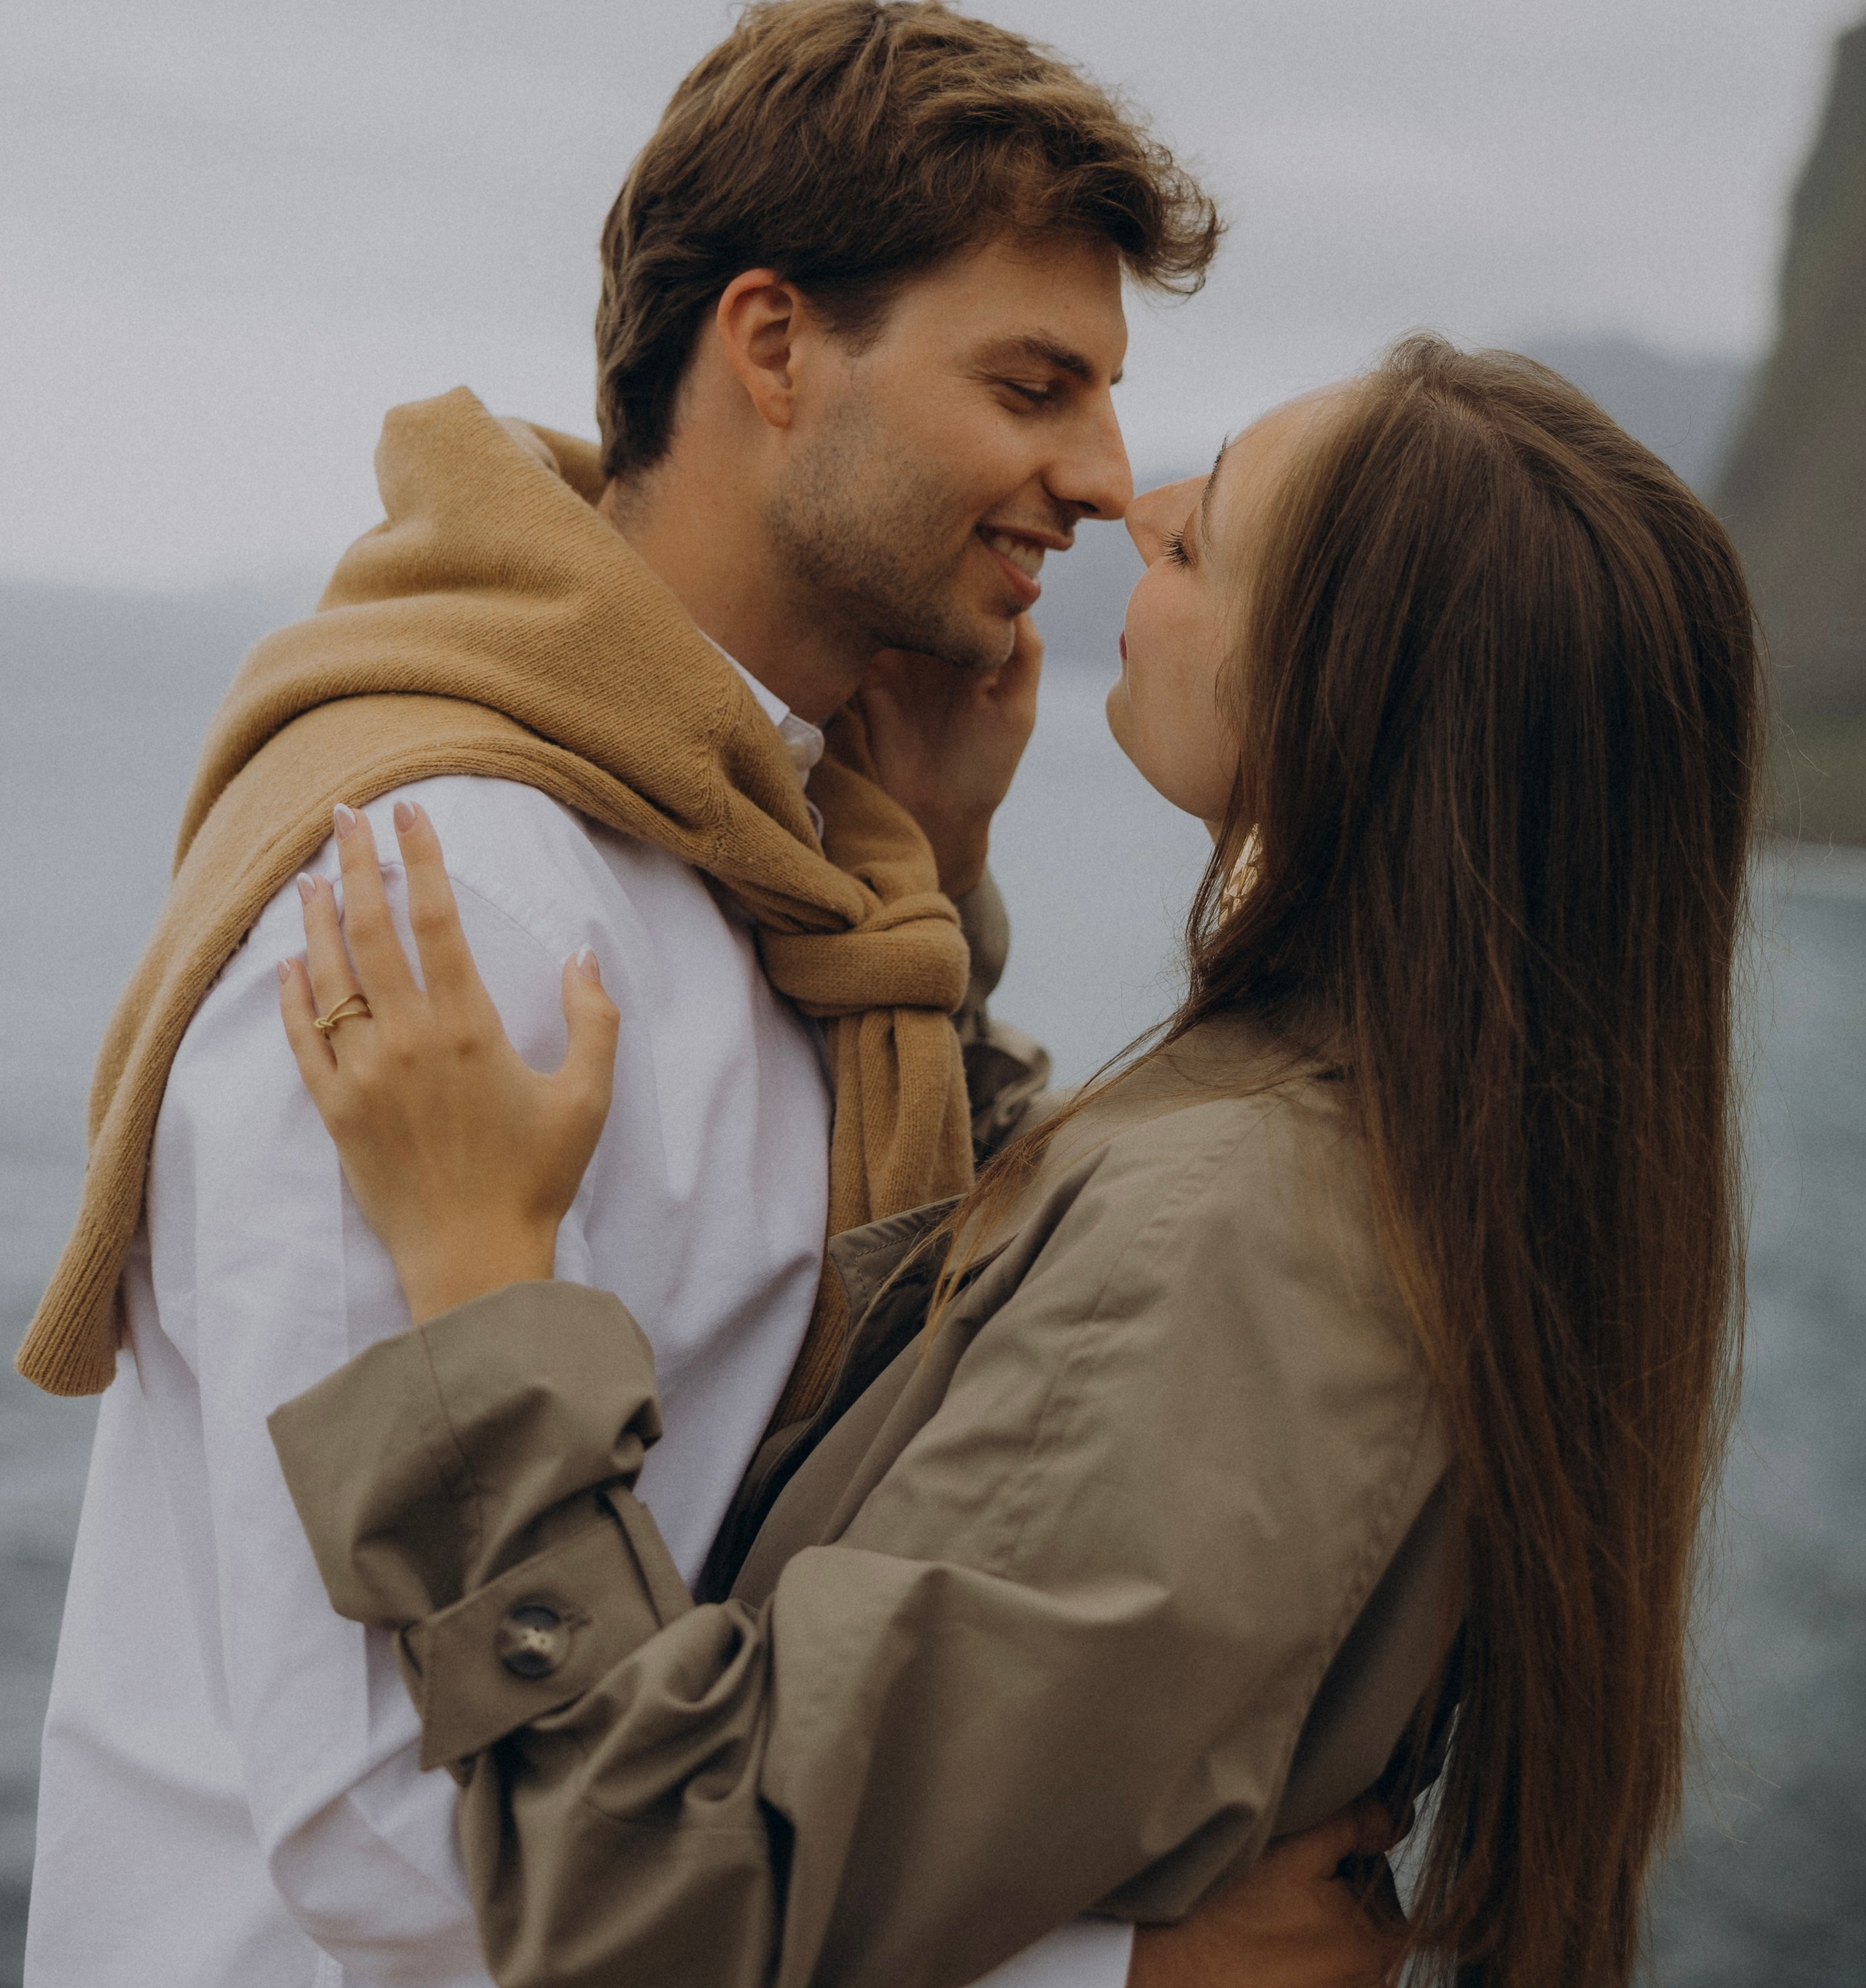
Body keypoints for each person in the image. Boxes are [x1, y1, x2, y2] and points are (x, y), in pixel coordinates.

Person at [20, 0, 1390, 1988]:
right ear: (770, 345)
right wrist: (1115, 1977)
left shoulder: (809, 869)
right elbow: (400, 1834)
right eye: (1034, 382)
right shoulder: (452, 902)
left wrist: (938, 886)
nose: (1104, 478)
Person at [267, 339, 1755, 1988]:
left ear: (1341, 710)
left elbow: (657, 1898)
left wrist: (481, 1288)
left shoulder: (1248, 1248)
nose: (1137, 501)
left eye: (1199, 543)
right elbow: (1031, 1373)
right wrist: (939, 892)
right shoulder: (1420, 1133)